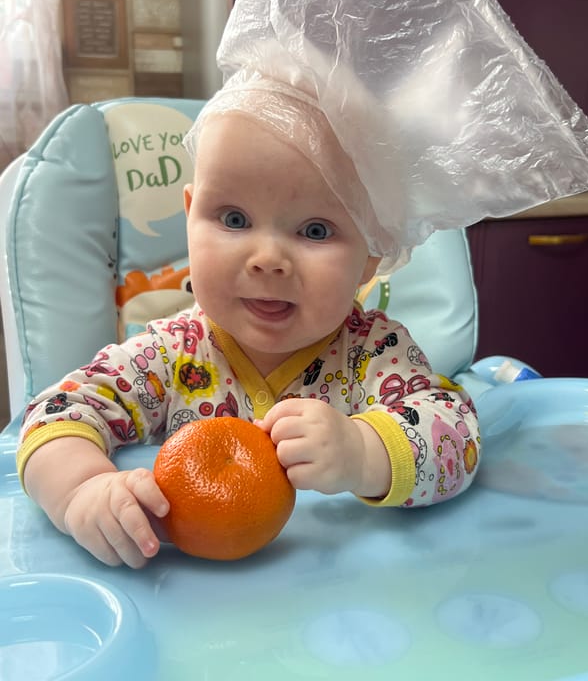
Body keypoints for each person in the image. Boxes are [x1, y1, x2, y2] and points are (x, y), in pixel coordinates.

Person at [16, 80, 480, 569]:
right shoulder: (167, 354)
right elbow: (57, 413)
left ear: (371, 255)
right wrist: (82, 490)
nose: (267, 259)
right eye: (234, 219)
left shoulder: (373, 353)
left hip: (337, 605)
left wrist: (362, 454)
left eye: (315, 230)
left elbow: (459, 437)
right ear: (191, 215)